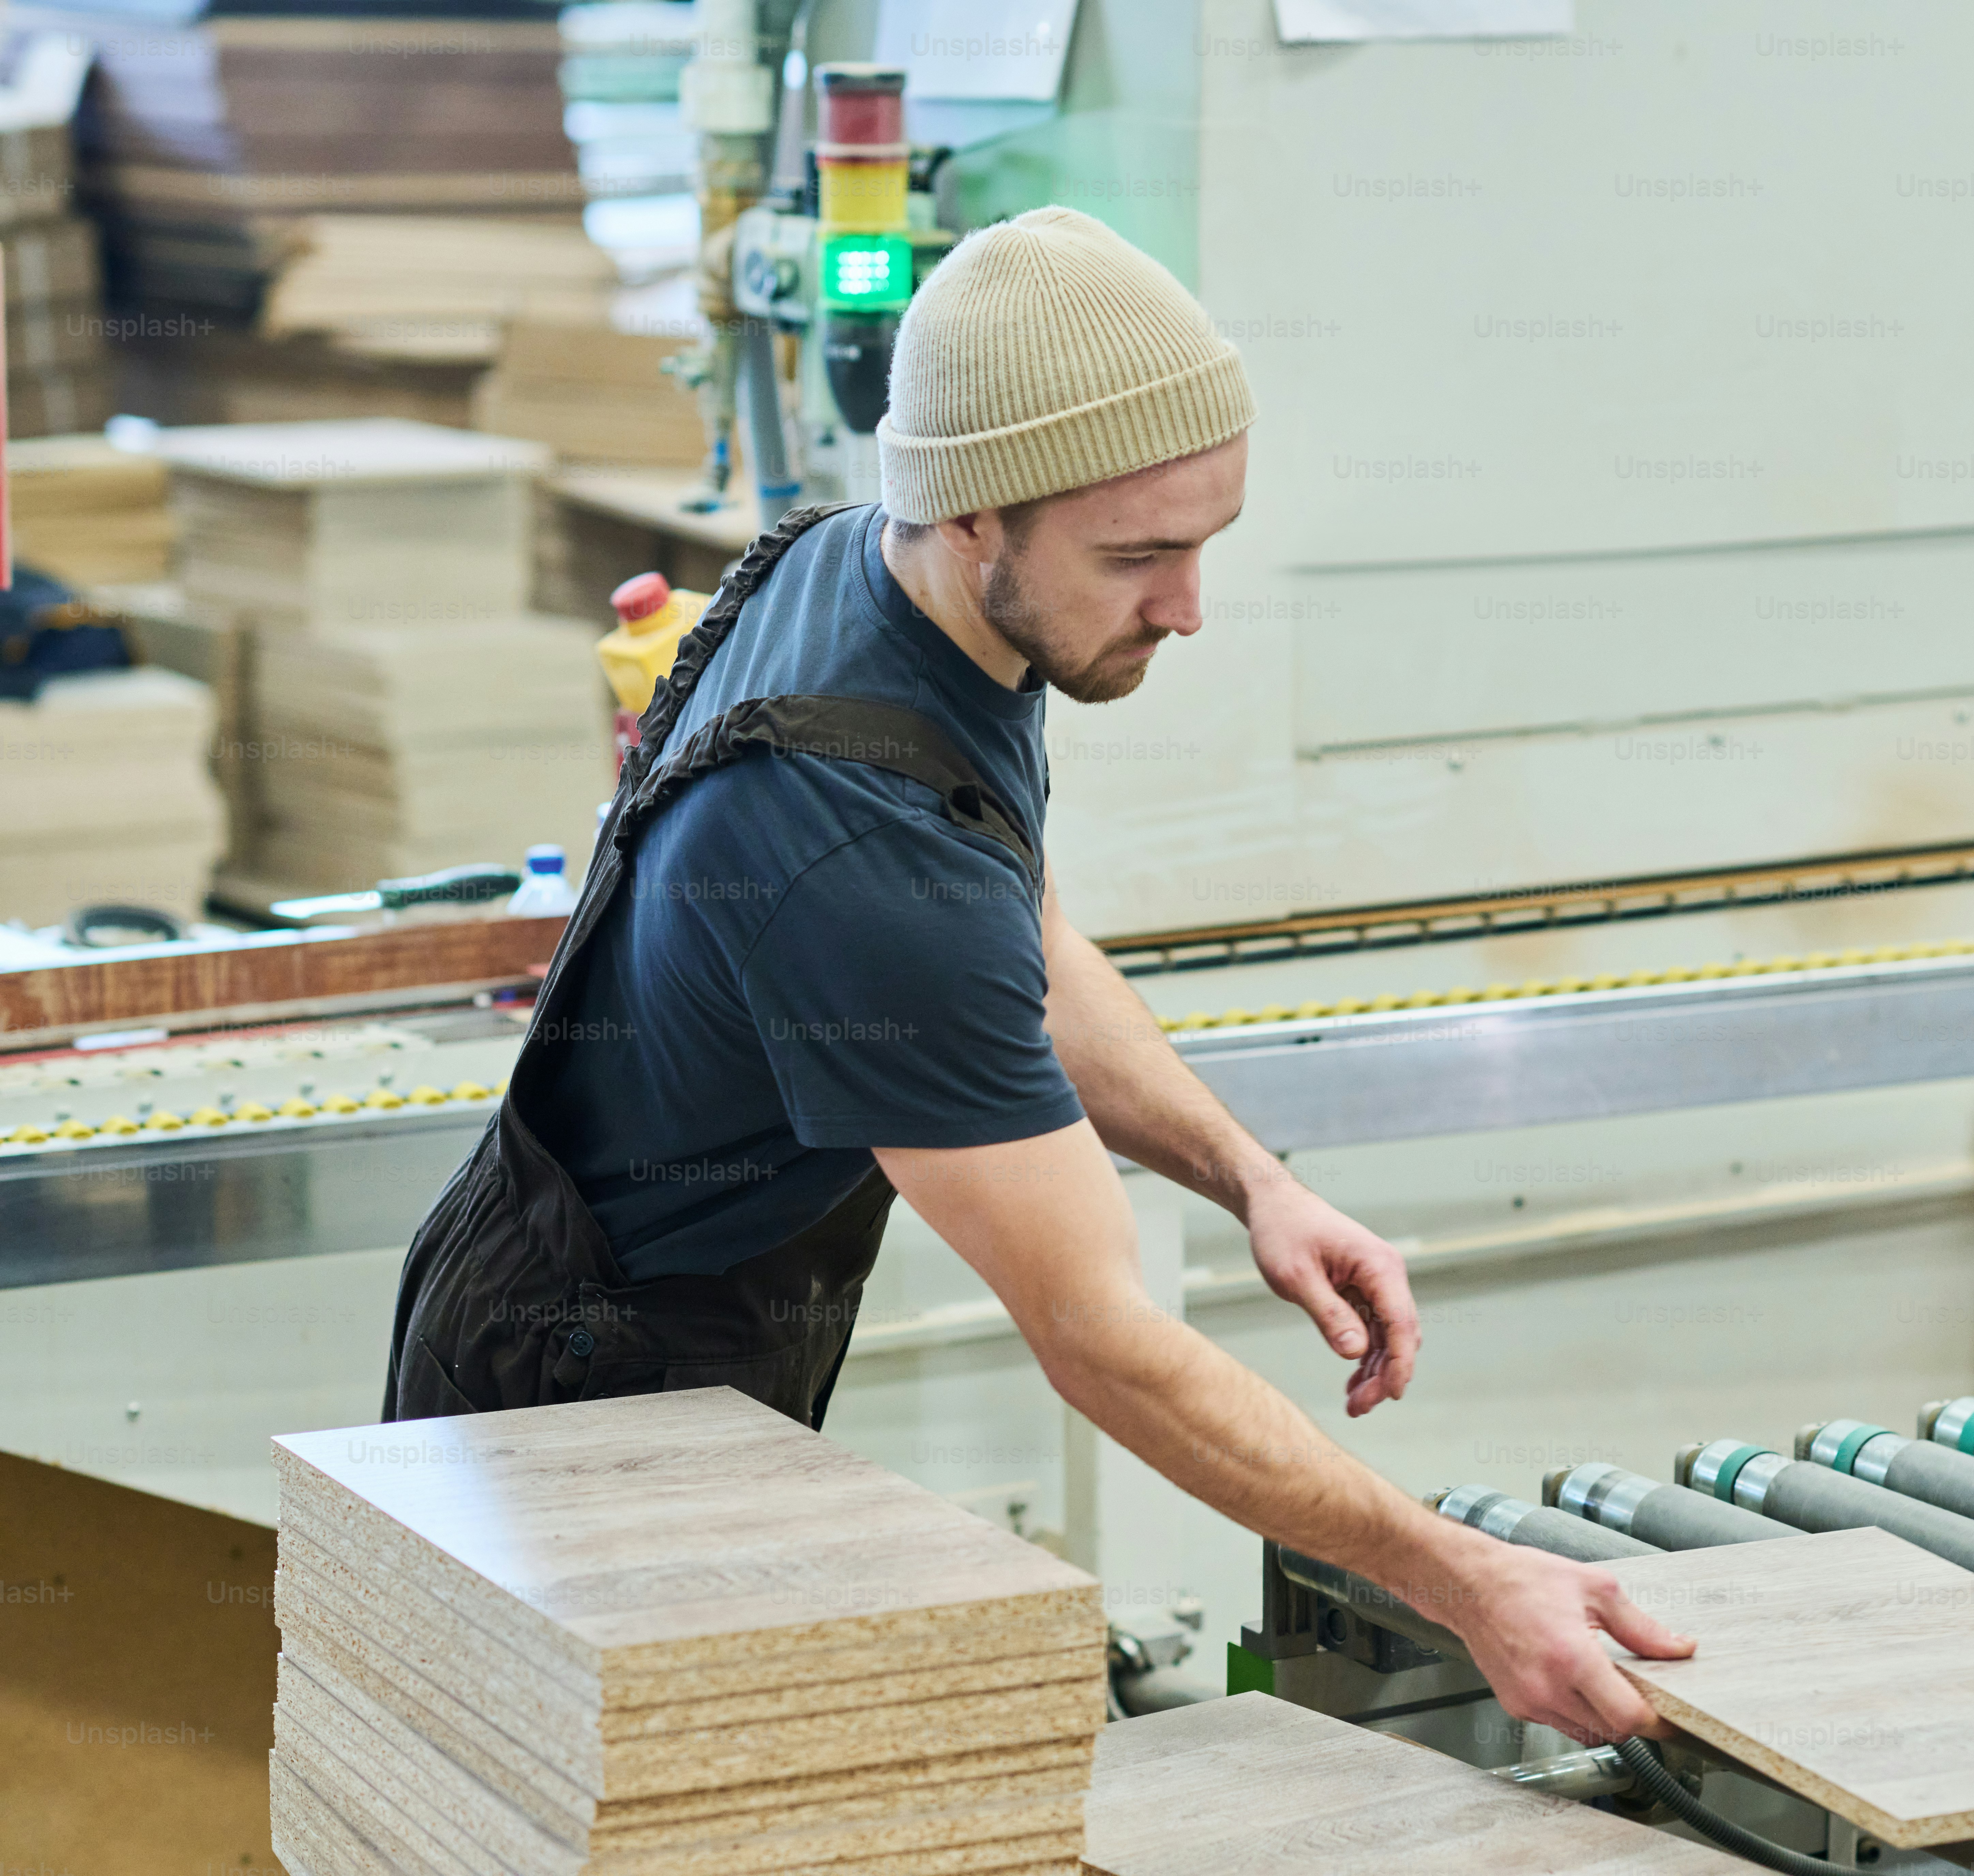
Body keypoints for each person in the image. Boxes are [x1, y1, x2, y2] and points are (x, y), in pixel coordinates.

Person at [382, 206, 1689, 1744]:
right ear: (973, 516)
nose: (1189, 607)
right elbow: (1102, 1338)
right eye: (1139, 556)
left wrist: (1250, 1179)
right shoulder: (857, 856)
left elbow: (1029, 940)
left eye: (1206, 542)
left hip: (624, 1305)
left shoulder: (889, 591)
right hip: (575, 1392)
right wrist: (1465, 1579)